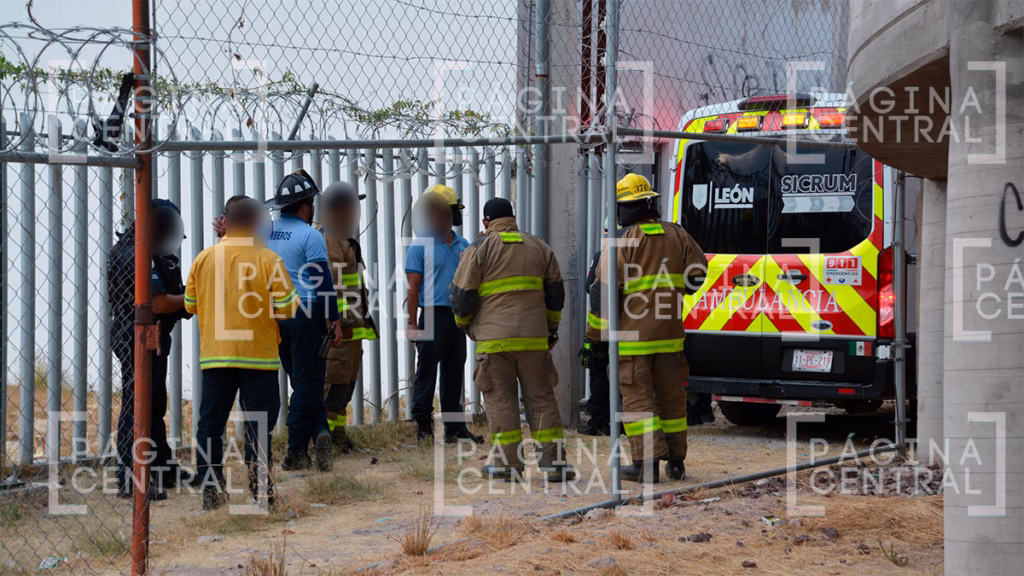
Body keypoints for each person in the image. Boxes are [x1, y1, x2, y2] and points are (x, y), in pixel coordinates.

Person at [586, 173, 708, 483]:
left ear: (624, 208)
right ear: (650, 203)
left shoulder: (621, 242)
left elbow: (602, 297)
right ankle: (676, 462)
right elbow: (697, 275)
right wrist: (675, 290)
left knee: (638, 401)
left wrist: (595, 339)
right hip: (671, 338)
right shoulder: (678, 235)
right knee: (672, 399)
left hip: (632, 341)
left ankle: (646, 466)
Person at [185, 197, 298, 510]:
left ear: (226, 222)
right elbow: (288, 309)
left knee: (210, 425)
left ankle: (211, 489)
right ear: (255, 223)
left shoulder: (204, 258)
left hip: (216, 357)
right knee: (258, 426)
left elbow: (190, 305)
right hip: (259, 357)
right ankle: (261, 491)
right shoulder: (269, 259)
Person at [450, 197, 574, 482]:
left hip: (495, 343)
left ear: (485, 222)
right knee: (542, 400)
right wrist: (551, 329)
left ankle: (507, 466)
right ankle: (555, 465)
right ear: (513, 219)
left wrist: (467, 327)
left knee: (502, 403)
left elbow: (462, 297)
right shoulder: (540, 247)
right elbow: (556, 295)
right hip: (534, 341)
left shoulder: (478, 248)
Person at [109, 198, 191, 500]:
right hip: (136, 336)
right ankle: (131, 475)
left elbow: (172, 296)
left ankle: (161, 467)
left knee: (154, 403)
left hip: (152, 336)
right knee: (138, 403)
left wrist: (185, 299)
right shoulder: (136, 254)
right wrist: (196, 298)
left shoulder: (154, 252)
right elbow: (157, 303)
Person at [265, 169, 341, 472]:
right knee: (308, 383)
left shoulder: (266, 231)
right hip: (307, 314)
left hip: (276, 315)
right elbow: (322, 282)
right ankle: (296, 451)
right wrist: (334, 320)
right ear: (306, 207)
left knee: (300, 379)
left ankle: (320, 431)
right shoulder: (311, 236)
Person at [405, 188, 483, 443]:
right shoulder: (419, 245)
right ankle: (423, 427)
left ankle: (455, 428)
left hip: (457, 318)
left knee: (454, 372)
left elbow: (472, 285)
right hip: (431, 315)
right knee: (426, 373)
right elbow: (412, 288)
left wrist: (472, 321)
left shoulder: (464, 245)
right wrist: (412, 323)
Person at [320, 181, 378, 452]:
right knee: (334, 387)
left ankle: (338, 434)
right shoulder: (330, 239)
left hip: (352, 329)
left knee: (345, 386)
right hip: (340, 331)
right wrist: (336, 324)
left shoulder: (343, 237)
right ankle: (325, 438)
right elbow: (331, 285)